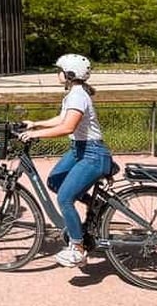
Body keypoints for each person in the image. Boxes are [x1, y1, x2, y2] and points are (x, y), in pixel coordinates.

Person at [18, 53, 113, 268]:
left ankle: (77, 248)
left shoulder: (78, 95)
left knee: (64, 199)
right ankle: (93, 205)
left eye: (59, 70)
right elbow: (62, 118)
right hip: (79, 149)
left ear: (69, 74)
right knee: (55, 181)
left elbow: (67, 127)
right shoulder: (74, 94)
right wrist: (36, 124)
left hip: (92, 153)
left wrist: (35, 135)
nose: (57, 73)